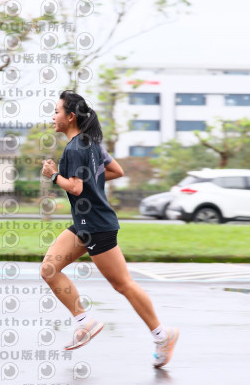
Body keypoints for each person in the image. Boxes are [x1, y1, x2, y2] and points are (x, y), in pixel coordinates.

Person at [40, 90, 179, 368]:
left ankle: (163, 336)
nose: (53, 117)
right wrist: (90, 181)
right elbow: (116, 171)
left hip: (97, 226)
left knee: (123, 284)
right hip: (84, 224)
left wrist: (54, 176)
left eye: (56, 111)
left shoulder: (74, 148)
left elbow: (75, 187)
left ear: (70, 116)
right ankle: (84, 321)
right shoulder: (91, 144)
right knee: (49, 269)